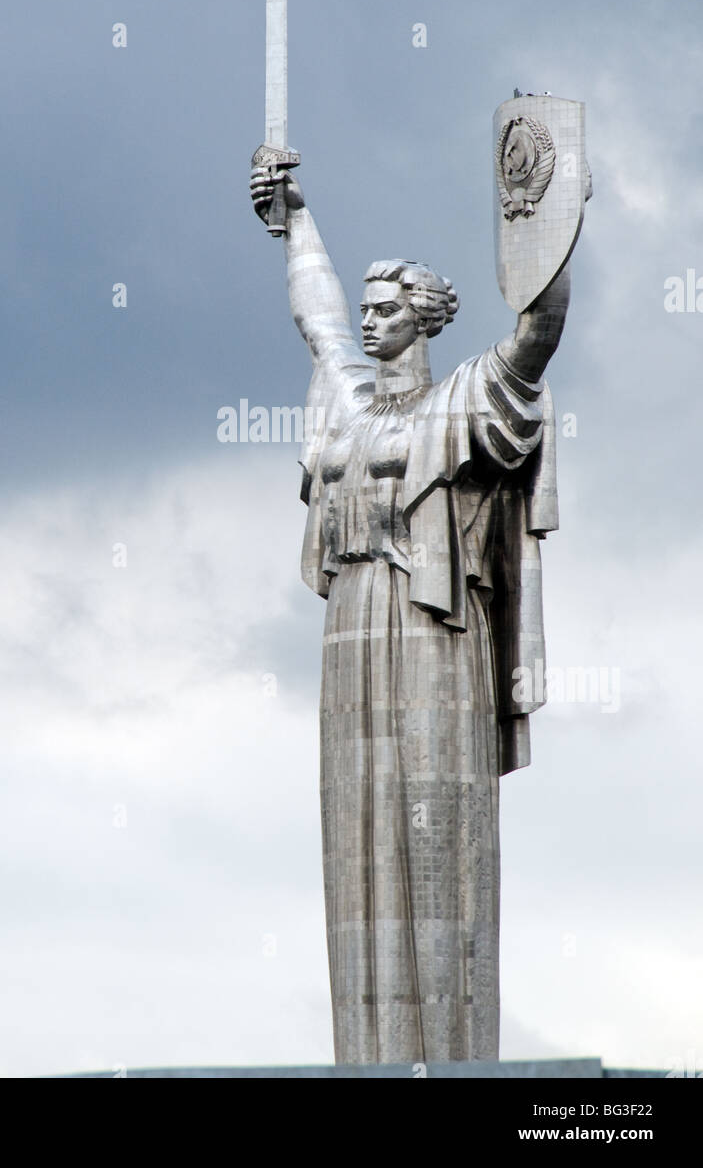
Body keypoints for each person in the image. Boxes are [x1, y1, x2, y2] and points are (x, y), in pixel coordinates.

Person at [250, 161, 569, 1064]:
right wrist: (296, 217)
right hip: (350, 632)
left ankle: (451, 1061)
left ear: (423, 316)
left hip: (435, 631)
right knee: (357, 839)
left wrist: (543, 233)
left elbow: (538, 333)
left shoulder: (463, 400)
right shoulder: (348, 409)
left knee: (438, 838)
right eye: (366, 305)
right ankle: (372, 1061)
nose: (367, 316)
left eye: (385, 306)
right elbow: (313, 318)